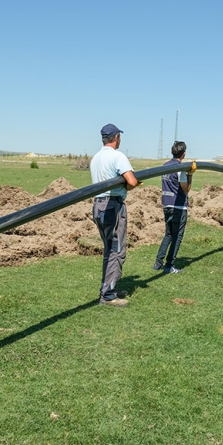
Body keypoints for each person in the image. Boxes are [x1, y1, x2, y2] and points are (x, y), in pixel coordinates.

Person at [90, 124, 139, 307]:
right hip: (113, 206)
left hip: (98, 205)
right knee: (116, 251)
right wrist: (129, 185)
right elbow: (132, 181)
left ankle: (109, 287)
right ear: (116, 137)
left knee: (109, 249)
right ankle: (108, 295)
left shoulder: (96, 158)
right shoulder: (117, 156)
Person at [153, 141, 194, 274]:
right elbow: (186, 189)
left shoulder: (165, 166)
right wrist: (190, 174)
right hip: (178, 207)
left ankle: (158, 263)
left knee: (168, 234)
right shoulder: (180, 168)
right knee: (177, 236)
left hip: (166, 204)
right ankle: (169, 266)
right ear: (184, 154)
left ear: (172, 152)